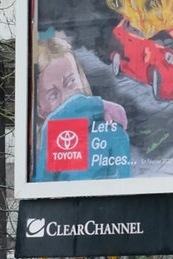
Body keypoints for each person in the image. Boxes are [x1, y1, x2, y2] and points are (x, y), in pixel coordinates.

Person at [32, 30, 132, 181]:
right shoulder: (44, 142)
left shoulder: (110, 130)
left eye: (71, 82)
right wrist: (97, 105)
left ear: (81, 78)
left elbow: (124, 185)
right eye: (53, 95)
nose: (67, 97)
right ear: (40, 109)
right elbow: (42, 192)